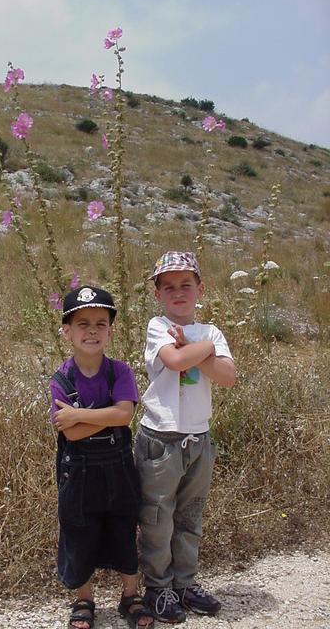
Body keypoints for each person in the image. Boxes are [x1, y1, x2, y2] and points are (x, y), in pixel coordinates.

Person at [135, 251, 236, 624]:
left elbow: (228, 375)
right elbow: (174, 362)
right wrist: (203, 352)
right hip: (162, 438)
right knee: (158, 517)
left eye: (186, 285)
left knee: (190, 516)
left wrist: (199, 348)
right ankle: (158, 588)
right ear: (158, 294)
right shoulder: (157, 325)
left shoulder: (210, 333)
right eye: (169, 287)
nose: (179, 293)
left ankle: (184, 583)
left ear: (200, 289)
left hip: (199, 438)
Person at [50, 285, 153, 629]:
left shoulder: (119, 371)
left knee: (124, 527)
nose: (91, 330)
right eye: (82, 323)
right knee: (79, 531)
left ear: (111, 330)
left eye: (100, 323)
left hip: (118, 468)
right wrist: (101, 417)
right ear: (67, 331)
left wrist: (80, 414)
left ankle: (130, 595)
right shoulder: (62, 378)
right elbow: (71, 433)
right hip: (78, 473)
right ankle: (84, 599)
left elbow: (124, 416)